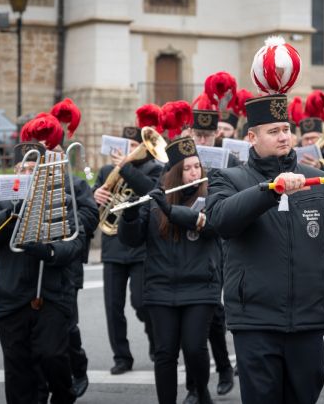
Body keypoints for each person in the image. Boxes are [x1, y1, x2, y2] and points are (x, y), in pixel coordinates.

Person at [206, 72, 324, 404]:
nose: (283, 137)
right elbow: (221, 220)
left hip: (308, 319)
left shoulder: (318, 181)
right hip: (255, 321)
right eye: (273, 131)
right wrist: (269, 190)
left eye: (286, 130)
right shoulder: (229, 177)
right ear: (251, 136)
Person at [0, 136, 87, 404]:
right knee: (18, 370)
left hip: (50, 295)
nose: (26, 174)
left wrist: (48, 251)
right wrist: (14, 211)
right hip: (12, 296)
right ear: (15, 172)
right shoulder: (2, 203)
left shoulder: (61, 201)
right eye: (22, 170)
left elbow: (74, 242)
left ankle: (64, 393)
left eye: (32, 170)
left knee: (52, 356)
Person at [118, 136, 220, 404]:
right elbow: (132, 240)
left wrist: (170, 210)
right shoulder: (155, 199)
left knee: (195, 348)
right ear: (175, 173)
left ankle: (201, 391)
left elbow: (212, 227)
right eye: (187, 168)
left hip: (200, 286)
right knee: (165, 354)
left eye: (197, 167)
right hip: (160, 286)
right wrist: (128, 218)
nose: (194, 173)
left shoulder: (212, 196)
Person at [93, 126, 163, 375]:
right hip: (113, 247)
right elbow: (96, 209)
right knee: (113, 307)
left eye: (135, 147)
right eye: (127, 147)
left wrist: (126, 167)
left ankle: (156, 343)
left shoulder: (154, 169)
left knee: (141, 303)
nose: (131, 151)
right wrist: (95, 196)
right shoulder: (105, 171)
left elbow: (150, 191)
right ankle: (121, 357)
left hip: (140, 247)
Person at [182, 108, 235, 403]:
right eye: (198, 134)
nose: (203, 139)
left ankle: (222, 369)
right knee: (201, 319)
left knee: (211, 313)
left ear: (216, 135)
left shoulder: (227, 160)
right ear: (190, 134)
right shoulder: (183, 159)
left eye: (208, 135)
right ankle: (197, 385)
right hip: (187, 244)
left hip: (216, 243)